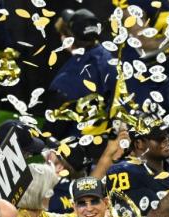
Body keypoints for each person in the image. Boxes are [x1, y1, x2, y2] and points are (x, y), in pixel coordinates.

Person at [44, 8, 117, 150]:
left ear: (66, 39)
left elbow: (52, 132)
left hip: (79, 155)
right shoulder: (111, 59)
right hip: (113, 147)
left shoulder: (66, 80)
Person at [105, 120, 169, 215]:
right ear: (139, 144)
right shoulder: (124, 172)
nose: (166, 139)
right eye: (159, 138)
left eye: (166, 133)